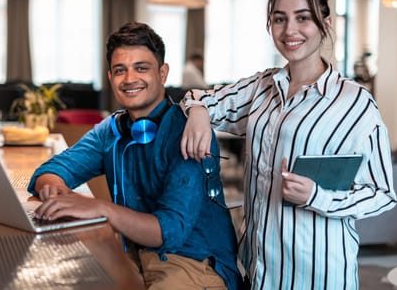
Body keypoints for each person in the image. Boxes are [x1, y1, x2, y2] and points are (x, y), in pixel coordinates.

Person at [179, 0, 397, 289]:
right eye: (279, 19)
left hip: (318, 275)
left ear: (325, 22)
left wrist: (317, 196)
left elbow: (382, 193)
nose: (289, 30)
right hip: (259, 271)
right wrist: (198, 111)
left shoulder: (355, 103)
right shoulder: (261, 87)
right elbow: (198, 97)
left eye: (302, 18)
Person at [28, 22, 242, 290]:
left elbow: (169, 231)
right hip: (135, 255)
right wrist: (57, 194)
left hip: (194, 264)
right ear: (110, 78)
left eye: (141, 68)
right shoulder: (112, 129)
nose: (129, 79)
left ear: (162, 73)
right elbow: (51, 170)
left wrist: (101, 208)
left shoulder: (189, 130)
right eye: (120, 70)